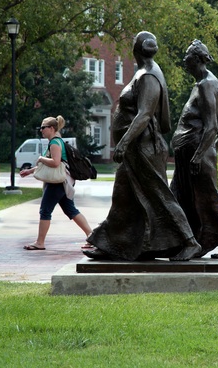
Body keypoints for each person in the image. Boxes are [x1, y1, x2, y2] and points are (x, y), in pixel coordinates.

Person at [84, 31, 202, 261]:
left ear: (134, 49)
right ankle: (112, 243)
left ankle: (190, 241)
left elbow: (145, 114)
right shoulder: (143, 72)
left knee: (159, 195)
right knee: (124, 196)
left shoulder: (149, 75)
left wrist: (123, 143)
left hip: (144, 147)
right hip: (136, 149)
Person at [170, 40, 218, 258]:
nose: (185, 61)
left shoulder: (206, 85)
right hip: (193, 154)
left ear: (199, 59)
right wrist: (213, 149)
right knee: (179, 198)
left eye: (188, 57)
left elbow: (213, 125)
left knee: (209, 199)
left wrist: (202, 154)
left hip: (196, 155)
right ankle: (187, 240)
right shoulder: (207, 83)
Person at [20, 115, 92, 250]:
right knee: (71, 210)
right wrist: (30, 171)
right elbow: (54, 164)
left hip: (57, 183)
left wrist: (41, 158)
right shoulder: (57, 141)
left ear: (51, 128)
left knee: (45, 210)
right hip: (62, 182)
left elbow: (55, 163)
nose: (41, 130)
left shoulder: (54, 143)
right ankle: (92, 237)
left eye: (43, 127)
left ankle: (40, 242)